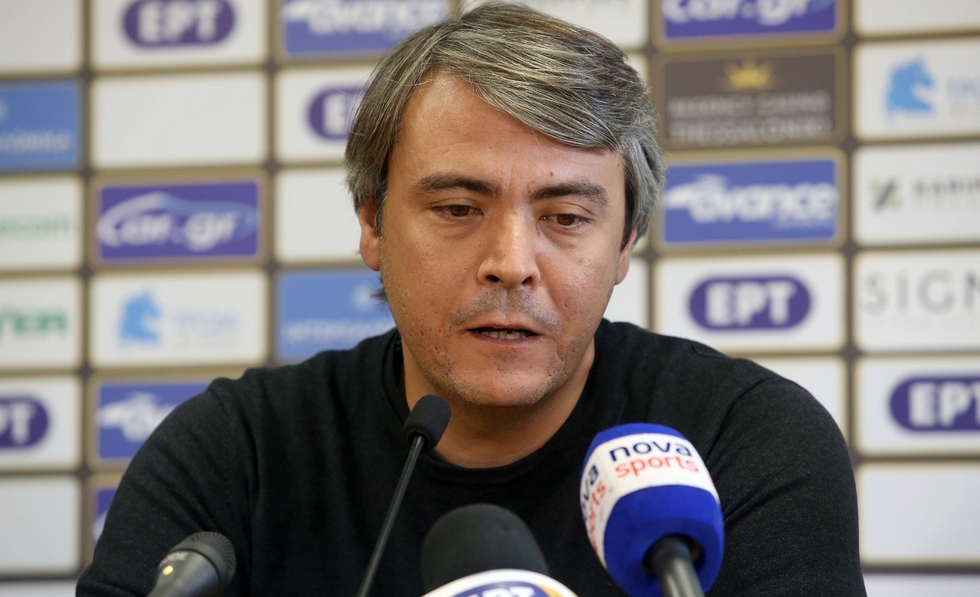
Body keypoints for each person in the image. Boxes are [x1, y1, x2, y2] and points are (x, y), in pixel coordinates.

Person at [78, 3, 866, 596]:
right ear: (371, 224)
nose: (511, 264)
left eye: (565, 217)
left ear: (627, 240)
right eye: (458, 208)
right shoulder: (232, 455)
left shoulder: (745, 444)